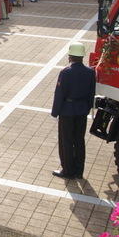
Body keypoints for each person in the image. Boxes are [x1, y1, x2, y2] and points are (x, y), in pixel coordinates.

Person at [51, 43, 96, 180]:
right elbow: (91, 93)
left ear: (70, 56)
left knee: (67, 141)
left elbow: (60, 94)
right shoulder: (90, 72)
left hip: (67, 111)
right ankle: (79, 171)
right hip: (81, 110)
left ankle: (67, 170)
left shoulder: (66, 72)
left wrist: (55, 112)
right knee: (79, 141)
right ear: (82, 56)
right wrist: (87, 108)